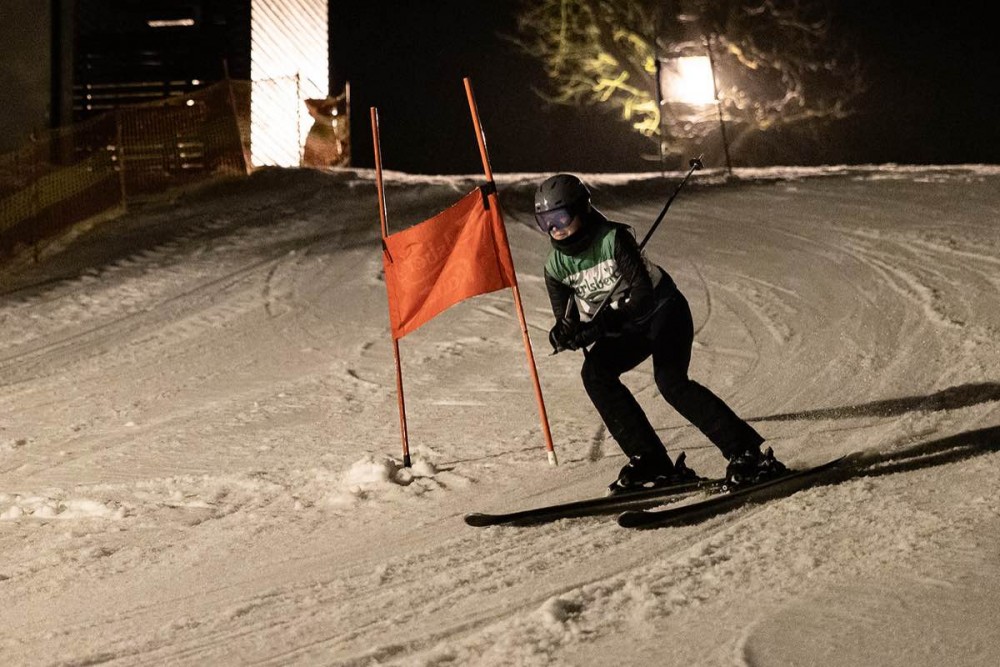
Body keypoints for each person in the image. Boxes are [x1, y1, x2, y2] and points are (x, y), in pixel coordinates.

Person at [535, 173, 785, 495]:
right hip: (627, 328)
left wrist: (602, 325)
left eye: (560, 218)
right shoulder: (555, 267)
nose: (555, 229)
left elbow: (643, 296)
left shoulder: (613, 239)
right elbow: (567, 319)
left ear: (582, 209)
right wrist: (563, 335)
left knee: (671, 382)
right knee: (595, 374)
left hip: (664, 312)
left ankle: (747, 453)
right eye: (545, 222)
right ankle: (651, 461)